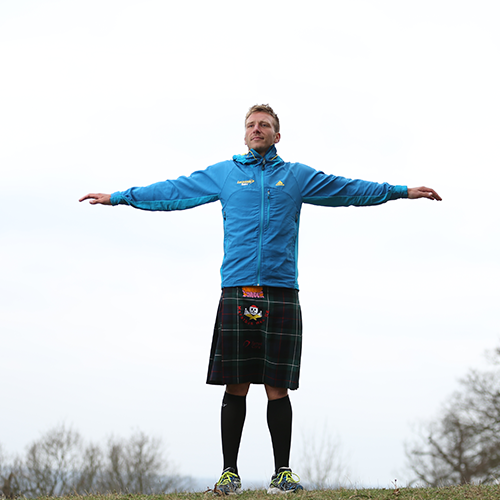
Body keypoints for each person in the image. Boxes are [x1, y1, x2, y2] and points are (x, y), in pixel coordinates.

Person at [80, 104, 441, 494]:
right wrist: (119, 197)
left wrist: (401, 192)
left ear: (276, 135)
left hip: (281, 289)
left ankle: (282, 474)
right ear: (244, 134)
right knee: (235, 384)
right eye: (251, 124)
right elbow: (174, 191)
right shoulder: (225, 174)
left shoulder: (296, 176)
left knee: (276, 386)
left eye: (264, 125)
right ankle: (229, 473)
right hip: (237, 288)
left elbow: (348, 189)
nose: (257, 129)